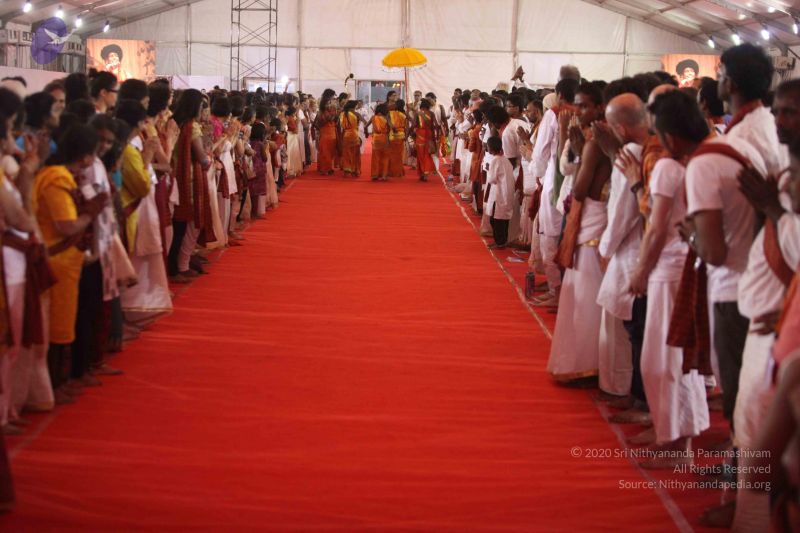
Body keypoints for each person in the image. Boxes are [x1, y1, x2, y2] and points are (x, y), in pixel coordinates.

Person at [617, 90, 710, 465]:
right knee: (671, 357)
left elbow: (656, 228)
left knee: (662, 359)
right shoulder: (696, 161)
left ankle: (675, 442)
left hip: (669, 268)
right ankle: (674, 435)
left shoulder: (670, 167)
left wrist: (641, 270)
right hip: (682, 264)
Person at [33, 125, 107, 405]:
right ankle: (54, 383)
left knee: (66, 320)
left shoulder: (64, 175)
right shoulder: (57, 178)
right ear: (85, 155)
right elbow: (66, 226)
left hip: (67, 261)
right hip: (57, 262)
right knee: (57, 324)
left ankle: (60, 380)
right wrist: (91, 212)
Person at [546, 81, 610, 384]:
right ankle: (587, 362)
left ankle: (590, 363)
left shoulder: (597, 141)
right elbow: (566, 168)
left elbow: (582, 187)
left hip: (595, 220)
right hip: (587, 217)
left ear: (600, 107)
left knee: (586, 296)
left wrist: (582, 150)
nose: (578, 111)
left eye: (584, 106)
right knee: (581, 293)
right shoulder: (591, 138)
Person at [116, 99, 173, 326]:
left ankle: (132, 311)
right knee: (132, 260)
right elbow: (141, 185)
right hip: (132, 207)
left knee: (138, 258)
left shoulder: (132, 145)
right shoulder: (129, 149)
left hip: (138, 205)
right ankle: (126, 314)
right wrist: (148, 155)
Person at [530, 77, 579, 307]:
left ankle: (556, 290)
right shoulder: (585, 115)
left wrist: (537, 174)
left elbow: (540, 152)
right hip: (578, 181)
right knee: (568, 236)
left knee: (550, 234)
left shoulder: (554, 114)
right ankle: (564, 290)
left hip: (555, 177)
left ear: (559, 95)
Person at [168, 89, 213, 281]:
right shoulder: (192, 127)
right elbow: (202, 157)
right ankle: (181, 265)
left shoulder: (173, 121)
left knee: (178, 224)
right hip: (190, 179)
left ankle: (177, 265)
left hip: (176, 175)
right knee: (192, 221)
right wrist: (209, 159)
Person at [484, 136, 515, 249]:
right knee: (503, 218)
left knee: (496, 219)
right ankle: (503, 240)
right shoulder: (505, 160)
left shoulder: (495, 160)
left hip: (499, 193)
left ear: (491, 148)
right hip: (507, 192)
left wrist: (488, 169)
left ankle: (500, 242)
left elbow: (492, 179)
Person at [413, 99, 437, 182]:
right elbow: (435, 125)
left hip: (420, 134)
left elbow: (414, 125)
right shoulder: (431, 114)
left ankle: (422, 173)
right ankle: (426, 174)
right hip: (429, 135)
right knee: (427, 154)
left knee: (420, 155)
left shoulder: (418, 113)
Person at [367, 103, 390, 181]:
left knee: (375, 157)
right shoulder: (386, 118)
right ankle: (384, 175)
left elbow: (366, 126)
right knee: (385, 157)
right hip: (384, 138)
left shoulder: (373, 117)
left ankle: (375, 175)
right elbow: (391, 127)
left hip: (376, 139)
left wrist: (366, 133)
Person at [337, 101, 361, 177]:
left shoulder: (342, 114)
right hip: (354, 134)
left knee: (346, 153)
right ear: (353, 107)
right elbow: (358, 124)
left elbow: (340, 126)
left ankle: (347, 170)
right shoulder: (355, 114)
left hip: (346, 134)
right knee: (355, 153)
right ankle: (355, 170)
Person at [315, 99, 337, 175]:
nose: (329, 105)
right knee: (325, 152)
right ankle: (325, 169)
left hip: (331, 134)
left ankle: (328, 167)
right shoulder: (322, 113)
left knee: (330, 152)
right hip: (325, 134)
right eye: (328, 103)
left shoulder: (329, 111)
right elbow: (317, 124)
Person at [388, 99, 408, 177]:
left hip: (392, 135)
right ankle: (398, 172)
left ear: (396, 105)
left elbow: (388, 123)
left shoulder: (390, 113)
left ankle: (391, 172)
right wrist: (406, 136)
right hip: (401, 135)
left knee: (391, 154)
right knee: (399, 155)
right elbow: (407, 126)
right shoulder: (404, 114)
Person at [285, 106, 303, 178]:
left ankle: (293, 170)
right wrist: (297, 122)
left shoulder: (290, 118)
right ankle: (291, 171)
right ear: (293, 113)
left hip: (291, 137)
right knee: (292, 153)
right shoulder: (291, 119)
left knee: (292, 153)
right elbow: (296, 131)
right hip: (292, 137)